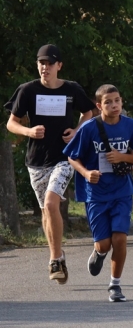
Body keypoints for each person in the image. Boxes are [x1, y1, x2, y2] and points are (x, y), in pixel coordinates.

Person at [5, 44, 95, 283]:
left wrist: (76, 131)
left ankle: (54, 259)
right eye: (41, 63)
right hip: (36, 161)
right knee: (46, 212)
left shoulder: (71, 89)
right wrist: (28, 131)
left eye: (49, 63)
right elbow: (11, 124)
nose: (44, 67)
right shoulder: (27, 90)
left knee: (51, 203)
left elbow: (89, 113)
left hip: (65, 157)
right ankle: (59, 256)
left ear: (59, 66)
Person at [65, 85, 133, 302]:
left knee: (120, 238)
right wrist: (86, 173)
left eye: (117, 100)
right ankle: (99, 252)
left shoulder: (130, 125)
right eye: (108, 102)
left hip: (122, 191)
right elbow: (72, 157)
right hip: (96, 194)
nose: (114, 105)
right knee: (104, 243)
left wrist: (123, 158)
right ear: (98, 106)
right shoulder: (89, 128)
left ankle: (115, 284)